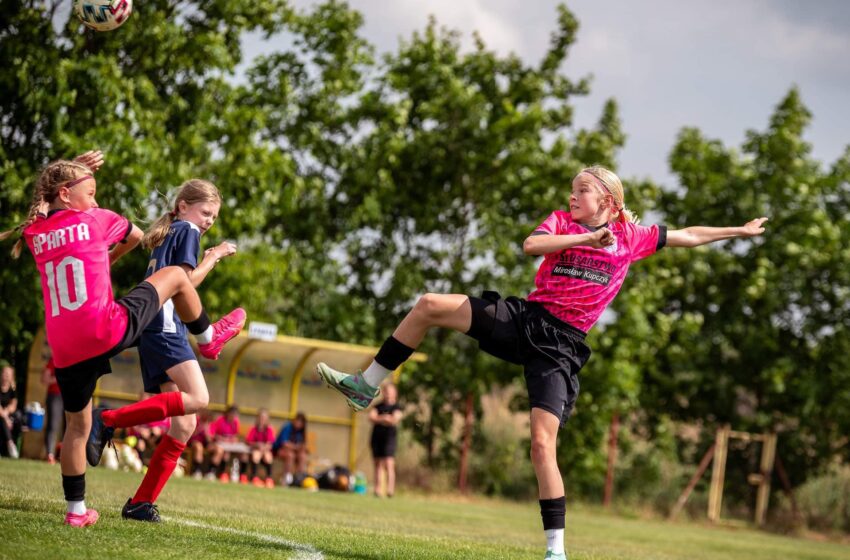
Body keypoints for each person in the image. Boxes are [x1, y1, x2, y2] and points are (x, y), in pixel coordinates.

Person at [316, 165, 768, 560]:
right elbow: (532, 246)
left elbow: (688, 235)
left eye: (582, 191)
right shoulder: (563, 222)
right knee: (430, 304)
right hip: (525, 320)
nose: (572, 197)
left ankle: (556, 550)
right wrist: (588, 236)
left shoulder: (632, 237)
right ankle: (366, 384)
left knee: (540, 445)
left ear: (607, 200)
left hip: (562, 348)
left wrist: (739, 232)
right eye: (572, 190)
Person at [0, 152, 246, 527]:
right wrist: (212, 257)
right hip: (138, 325)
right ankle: (208, 339)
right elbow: (163, 264)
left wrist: (69, 174)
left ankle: (103, 508)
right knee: (198, 398)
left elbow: (43, 210)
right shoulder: (168, 229)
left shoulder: (36, 232)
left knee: (170, 425)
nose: (96, 201)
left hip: (69, 345)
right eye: (92, 192)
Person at [121, 178, 239, 522]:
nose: (209, 221)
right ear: (184, 205)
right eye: (206, 212)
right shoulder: (187, 230)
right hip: (166, 327)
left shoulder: (170, 230)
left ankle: (140, 503)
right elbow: (185, 285)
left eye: (214, 218)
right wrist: (213, 256)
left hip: (152, 327)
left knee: (184, 423)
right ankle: (107, 421)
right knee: (197, 399)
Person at [368, 382, 402, 498]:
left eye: (390, 391)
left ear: (394, 393)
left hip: (389, 438)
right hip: (377, 437)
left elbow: (395, 419)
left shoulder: (396, 407)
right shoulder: (378, 406)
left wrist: (380, 418)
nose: (388, 394)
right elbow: (371, 417)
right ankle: (377, 490)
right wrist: (384, 418)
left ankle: (390, 490)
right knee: (377, 464)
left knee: (388, 463)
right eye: (386, 391)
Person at [207, 405, 247, 483]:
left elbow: (236, 435)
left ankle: (241, 475)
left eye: (235, 415)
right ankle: (212, 472)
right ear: (228, 413)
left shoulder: (236, 422)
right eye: (232, 414)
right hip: (217, 444)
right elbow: (212, 434)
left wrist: (233, 439)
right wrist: (222, 438)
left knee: (244, 453)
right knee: (222, 452)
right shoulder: (220, 420)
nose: (234, 417)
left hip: (229, 445)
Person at [273, 412, 308, 486]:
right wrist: (296, 447)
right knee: (290, 455)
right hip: (280, 450)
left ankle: (299, 478)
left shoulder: (301, 431)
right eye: (298, 421)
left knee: (303, 456)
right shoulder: (287, 427)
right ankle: (287, 479)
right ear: (294, 420)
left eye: (301, 422)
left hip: (294, 451)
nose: (299, 424)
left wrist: (301, 448)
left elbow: (302, 444)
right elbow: (284, 444)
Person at [41, 355, 64, 464]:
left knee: (71, 427)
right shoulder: (55, 358)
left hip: (72, 396)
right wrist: (61, 378)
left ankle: (67, 456)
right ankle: (50, 455)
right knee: (53, 425)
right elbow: (44, 379)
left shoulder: (77, 357)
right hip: (55, 396)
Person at [246, 408, 275, 488]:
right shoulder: (253, 428)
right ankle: (254, 477)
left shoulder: (269, 429)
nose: (262, 420)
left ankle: (269, 478)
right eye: (261, 418)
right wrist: (257, 445)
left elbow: (270, 443)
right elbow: (249, 441)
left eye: (264, 418)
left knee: (268, 456)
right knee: (256, 455)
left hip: (265, 450)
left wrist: (264, 447)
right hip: (255, 449)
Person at [0, 361, 22, 459]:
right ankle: (10, 443)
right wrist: (5, 418)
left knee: (18, 416)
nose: (6, 376)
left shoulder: (13, 390)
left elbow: (13, 405)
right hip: (1, 415)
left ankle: (11, 444)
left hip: (7, 414)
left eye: (8, 374)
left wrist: (6, 413)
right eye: (4, 373)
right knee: (1, 420)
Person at [187, 408, 212, 480]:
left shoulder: (209, 423)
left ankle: (211, 472)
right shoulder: (196, 420)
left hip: (205, 443)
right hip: (193, 441)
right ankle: (197, 470)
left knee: (219, 449)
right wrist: (200, 429)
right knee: (199, 446)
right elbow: (190, 434)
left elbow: (209, 440)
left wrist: (207, 432)